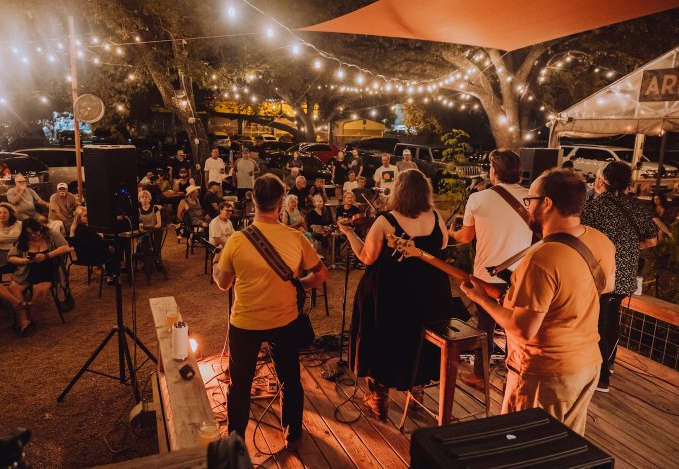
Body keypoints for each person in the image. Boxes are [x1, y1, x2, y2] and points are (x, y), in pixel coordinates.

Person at [461, 169, 616, 435]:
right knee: (564, 446)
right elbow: (606, 287)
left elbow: (522, 329)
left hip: (546, 373)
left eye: (529, 200)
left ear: (546, 203)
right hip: (587, 363)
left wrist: (481, 299)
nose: (528, 206)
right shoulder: (600, 240)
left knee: (527, 447)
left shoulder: (541, 259)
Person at [212, 174, 328, 450]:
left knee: (240, 383)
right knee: (289, 378)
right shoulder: (296, 237)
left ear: (253, 200)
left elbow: (223, 284)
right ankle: (292, 432)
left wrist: (218, 261)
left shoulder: (237, 241)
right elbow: (321, 275)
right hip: (285, 320)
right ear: (280, 202)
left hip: (246, 322)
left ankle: (236, 435)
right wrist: (299, 284)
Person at [338, 169, 453, 419]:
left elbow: (368, 257)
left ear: (398, 192)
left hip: (389, 293)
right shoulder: (435, 217)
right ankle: (417, 395)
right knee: (418, 340)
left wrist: (349, 233)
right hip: (428, 293)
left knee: (382, 338)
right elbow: (442, 246)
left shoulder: (386, 221)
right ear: (425, 192)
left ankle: (379, 400)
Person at [449, 149, 532, 389]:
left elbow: (465, 237)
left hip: (487, 275)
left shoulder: (478, 198)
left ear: (494, 171)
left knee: (485, 325)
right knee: (515, 327)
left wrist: (451, 232)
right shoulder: (531, 198)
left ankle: (480, 376)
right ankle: (514, 374)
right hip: (521, 274)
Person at [581, 161, 657, 392]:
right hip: (625, 275)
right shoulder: (638, 207)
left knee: (597, 323)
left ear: (602, 180)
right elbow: (652, 240)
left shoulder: (594, 207)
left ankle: (602, 376)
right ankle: (610, 363)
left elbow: (580, 236)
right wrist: (630, 247)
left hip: (600, 275)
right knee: (612, 317)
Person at [7, 218, 71, 335]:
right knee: (13, 287)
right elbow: (10, 257)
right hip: (26, 271)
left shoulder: (51, 234)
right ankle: (24, 321)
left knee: (40, 290)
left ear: (40, 228)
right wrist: (23, 261)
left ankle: (29, 319)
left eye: (35, 232)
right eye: (29, 233)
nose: (33, 235)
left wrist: (46, 256)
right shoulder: (23, 240)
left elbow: (66, 247)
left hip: (47, 270)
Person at [70, 207, 120, 285]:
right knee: (115, 247)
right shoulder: (85, 230)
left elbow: (93, 241)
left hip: (82, 257)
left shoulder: (76, 228)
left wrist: (98, 237)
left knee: (109, 246)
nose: (88, 217)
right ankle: (111, 276)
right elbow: (96, 242)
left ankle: (111, 274)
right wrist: (105, 242)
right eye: (85, 215)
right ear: (79, 217)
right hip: (93, 258)